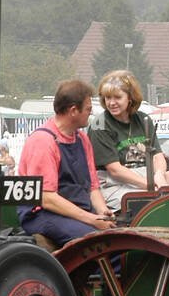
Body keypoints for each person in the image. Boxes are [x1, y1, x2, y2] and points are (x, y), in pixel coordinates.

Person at [17, 79, 116, 246]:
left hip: (76, 212)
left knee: (121, 237)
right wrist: (92, 219)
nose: (90, 114)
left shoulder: (82, 139)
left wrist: (102, 212)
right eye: (88, 109)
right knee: (100, 244)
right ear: (73, 111)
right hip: (44, 214)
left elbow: (92, 187)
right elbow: (47, 197)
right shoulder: (43, 141)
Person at [88, 70, 169, 209]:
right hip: (114, 183)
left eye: (117, 97)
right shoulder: (100, 125)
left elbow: (157, 156)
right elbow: (114, 170)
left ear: (130, 98)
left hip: (147, 174)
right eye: (107, 98)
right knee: (155, 202)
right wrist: (149, 185)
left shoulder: (143, 119)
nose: (111, 103)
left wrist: (159, 175)